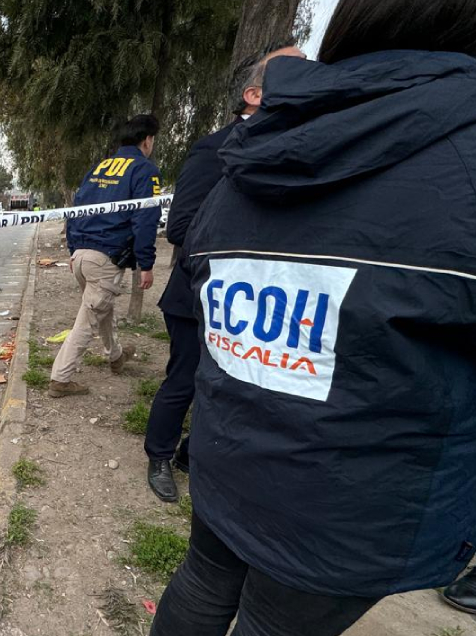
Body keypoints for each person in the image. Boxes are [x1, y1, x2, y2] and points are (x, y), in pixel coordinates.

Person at [151, 1, 476, 634]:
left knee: (202, 582)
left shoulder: (253, 145)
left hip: (232, 450)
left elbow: (202, 260)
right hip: (354, 499)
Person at [145, 41, 305, 503]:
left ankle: (192, 453)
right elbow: (180, 226)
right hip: (199, 297)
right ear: (254, 95)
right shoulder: (214, 149)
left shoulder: (298, 151)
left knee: (233, 387)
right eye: (296, 70)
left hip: (260, 302)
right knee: (186, 379)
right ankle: (159, 454)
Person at [47, 114, 163, 398]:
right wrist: (146, 264)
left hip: (82, 257)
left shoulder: (98, 168)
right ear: (147, 140)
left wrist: (74, 250)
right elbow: (146, 219)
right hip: (106, 259)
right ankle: (60, 379)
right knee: (87, 320)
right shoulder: (145, 170)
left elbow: (75, 211)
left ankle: (116, 356)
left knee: (102, 310)